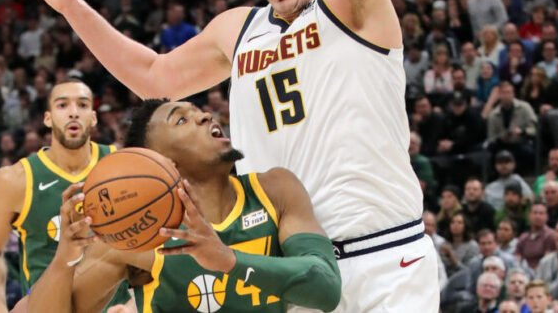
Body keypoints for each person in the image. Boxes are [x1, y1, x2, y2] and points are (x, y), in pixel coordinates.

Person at [11, 0, 438, 310]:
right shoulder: (240, 28)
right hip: (286, 264)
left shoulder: (350, 2)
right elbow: (154, 79)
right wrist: (70, 5)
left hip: (383, 256)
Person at [27, 99, 342, 313]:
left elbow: (326, 287)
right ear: (162, 162)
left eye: (198, 111)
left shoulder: (274, 190)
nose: (205, 115)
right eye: (181, 120)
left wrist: (228, 260)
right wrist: (64, 260)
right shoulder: (136, 238)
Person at [0, 78, 126, 313]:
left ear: (94, 118)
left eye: (83, 105)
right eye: (62, 105)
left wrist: (132, 304)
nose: (73, 113)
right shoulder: (14, 180)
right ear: (47, 118)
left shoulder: (124, 166)